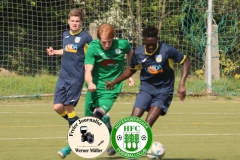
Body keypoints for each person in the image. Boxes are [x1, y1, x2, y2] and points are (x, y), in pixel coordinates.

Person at [105, 26, 191, 156]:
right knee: (134, 119)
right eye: (148, 44)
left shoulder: (166, 50)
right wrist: (114, 81)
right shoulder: (138, 53)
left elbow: (186, 61)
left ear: (157, 40)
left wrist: (182, 84)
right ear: (144, 41)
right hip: (146, 89)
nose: (150, 47)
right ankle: (119, 145)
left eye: (153, 44)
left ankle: (133, 149)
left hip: (164, 91)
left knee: (147, 123)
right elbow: (131, 70)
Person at [46, 8, 92, 159]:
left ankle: (74, 135)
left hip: (75, 78)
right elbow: (67, 51)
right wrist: (55, 52)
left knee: (68, 106)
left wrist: (88, 76)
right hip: (63, 77)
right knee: (57, 107)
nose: (74, 23)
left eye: (77, 21)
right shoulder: (65, 35)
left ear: (81, 22)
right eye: (72, 21)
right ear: (68, 21)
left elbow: (90, 58)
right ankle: (80, 127)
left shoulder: (86, 38)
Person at [84, 23, 134, 137]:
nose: (107, 45)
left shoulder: (122, 44)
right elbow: (88, 71)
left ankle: (80, 144)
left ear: (113, 38)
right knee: (87, 118)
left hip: (112, 87)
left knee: (96, 117)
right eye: (104, 42)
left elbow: (130, 53)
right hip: (95, 87)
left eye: (109, 42)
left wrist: (129, 73)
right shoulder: (93, 47)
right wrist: (90, 83)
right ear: (99, 39)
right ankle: (106, 124)